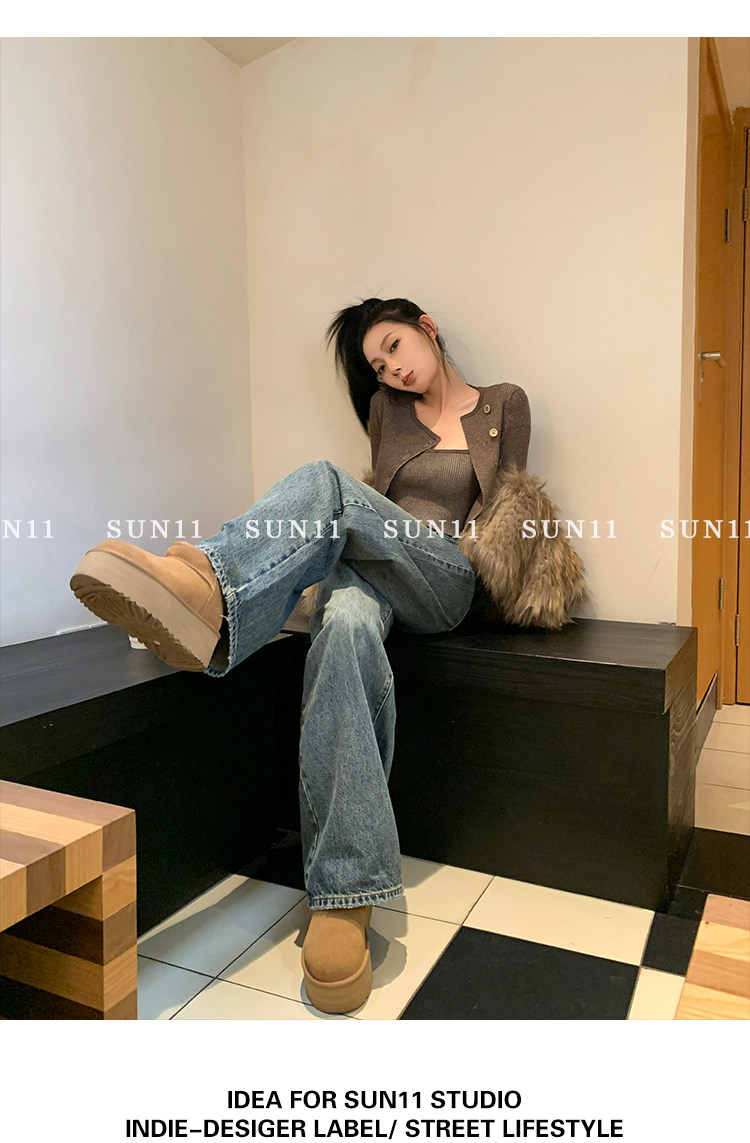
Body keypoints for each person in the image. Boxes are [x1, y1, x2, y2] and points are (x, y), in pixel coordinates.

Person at [69, 296, 584, 1015]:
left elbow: (506, 512)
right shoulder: (386, 411)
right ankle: (345, 893)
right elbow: (376, 511)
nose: (392, 370)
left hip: (449, 577)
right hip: (376, 567)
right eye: (378, 365)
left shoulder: (503, 403)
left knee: (328, 485)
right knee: (341, 620)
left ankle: (210, 592)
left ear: (427, 328)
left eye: (395, 347)